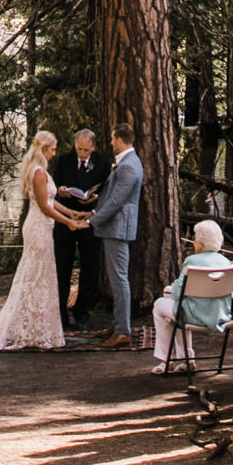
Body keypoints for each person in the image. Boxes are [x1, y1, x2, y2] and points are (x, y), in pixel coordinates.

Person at [0, 130, 86, 354]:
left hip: (43, 227)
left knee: (42, 276)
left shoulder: (42, 171)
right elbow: (44, 205)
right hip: (37, 227)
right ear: (44, 149)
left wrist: (71, 213)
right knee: (35, 276)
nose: (54, 154)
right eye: (52, 149)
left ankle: (38, 327)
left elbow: (52, 201)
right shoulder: (38, 172)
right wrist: (68, 223)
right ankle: (30, 326)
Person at [149, 219, 233, 373]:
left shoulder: (192, 261)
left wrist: (172, 289)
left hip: (194, 315)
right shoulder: (226, 262)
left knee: (160, 305)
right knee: (177, 311)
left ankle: (166, 359)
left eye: (195, 239)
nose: (193, 242)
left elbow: (177, 293)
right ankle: (187, 359)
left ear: (200, 243)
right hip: (223, 315)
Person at [88, 122, 144, 347]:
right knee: (116, 278)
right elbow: (112, 196)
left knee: (119, 279)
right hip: (115, 227)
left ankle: (122, 331)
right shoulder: (127, 162)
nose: (111, 143)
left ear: (120, 140)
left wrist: (91, 221)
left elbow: (116, 203)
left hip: (118, 228)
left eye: (112, 139)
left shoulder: (128, 166)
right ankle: (119, 324)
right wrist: (94, 206)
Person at [52, 129, 107, 329]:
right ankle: (60, 311)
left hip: (88, 221)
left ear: (92, 148)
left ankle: (82, 311)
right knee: (62, 265)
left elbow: (106, 190)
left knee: (90, 268)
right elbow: (55, 184)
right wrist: (61, 191)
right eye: (79, 149)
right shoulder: (64, 160)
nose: (82, 154)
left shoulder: (101, 163)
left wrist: (96, 198)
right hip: (65, 219)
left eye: (85, 150)